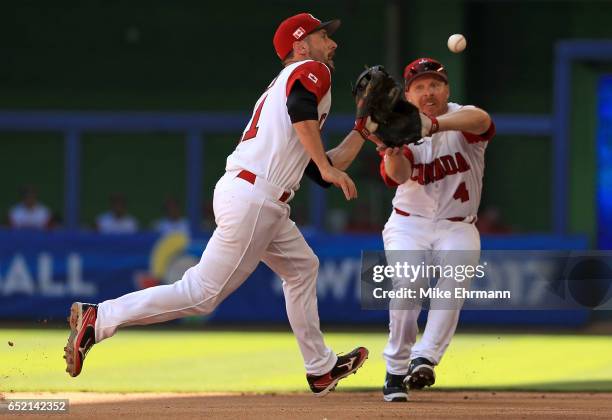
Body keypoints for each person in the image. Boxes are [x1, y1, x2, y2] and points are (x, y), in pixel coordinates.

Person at [64, 12, 371, 396]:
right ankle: (100, 318)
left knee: (302, 268)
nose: (333, 43)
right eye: (324, 35)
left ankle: (320, 367)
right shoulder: (311, 70)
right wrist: (326, 167)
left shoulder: (288, 92)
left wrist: (362, 129)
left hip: (258, 195)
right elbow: (305, 116)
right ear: (301, 44)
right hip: (256, 196)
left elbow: (317, 167)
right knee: (201, 295)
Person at [366, 58, 495, 402]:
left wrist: (433, 125)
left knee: (455, 276)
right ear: (408, 94)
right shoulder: (400, 125)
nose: (428, 91)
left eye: (434, 84)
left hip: (458, 226)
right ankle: (395, 369)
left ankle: (424, 358)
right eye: (420, 86)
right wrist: (390, 151)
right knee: (409, 283)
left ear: (446, 90)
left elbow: (482, 120)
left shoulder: (460, 116)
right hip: (409, 223)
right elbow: (399, 175)